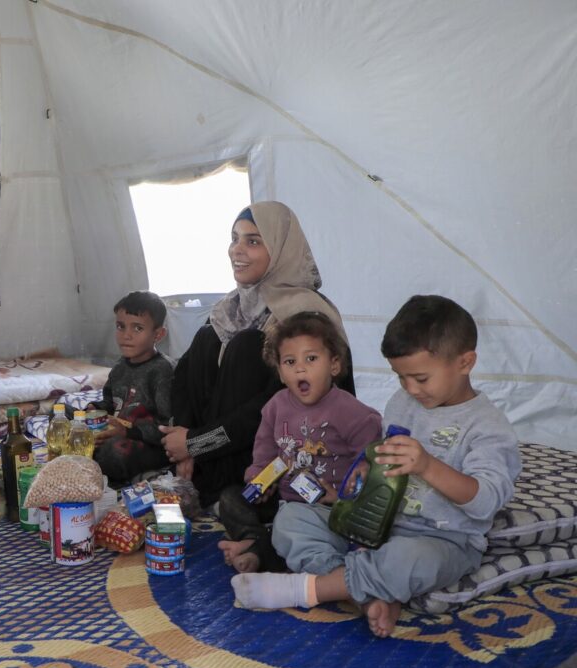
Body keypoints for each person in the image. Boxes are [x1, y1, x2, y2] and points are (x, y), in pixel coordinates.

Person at [232, 295, 521, 639]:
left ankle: (310, 590)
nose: (410, 389)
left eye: (421, 378)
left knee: (408, 560)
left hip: (441, 539)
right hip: (375, 530)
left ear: (465, 362)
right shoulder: (403, 402)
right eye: (401, 378)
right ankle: (370, 596)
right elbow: (380, 459)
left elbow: (487, 499)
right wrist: (365, 471)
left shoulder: (487, 426)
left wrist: (427, 466)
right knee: (292, 519)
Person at [163, 201, 356, 512]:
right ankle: (200, 475)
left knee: (246, 345)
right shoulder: (231, 308)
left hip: (291, 454)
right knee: (205, 337)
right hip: (214, 450)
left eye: (252, 241)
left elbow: (273, 408)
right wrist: (182, 444)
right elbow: (183, 376)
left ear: (281, 249)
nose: (236, 250)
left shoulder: (306, 317)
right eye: (234, 238)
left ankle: (228, 488)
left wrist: (196, 442)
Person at [219, 311, 382, 573]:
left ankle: (264, 551)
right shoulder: (275, 407)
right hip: (284, 500)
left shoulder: (353, 413)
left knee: (292, 527)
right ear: (281, 373)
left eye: (311, 358)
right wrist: (260, 480)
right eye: (290, 361)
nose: (300, 368)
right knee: (229, 499)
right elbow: (264, 452)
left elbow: (371, 465)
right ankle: (255, 539)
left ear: (334, 365)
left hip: (328, 509)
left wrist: (342, 498)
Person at [87, 290, 175, 487]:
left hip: (148, 445)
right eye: (120, 326)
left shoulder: (162, 371)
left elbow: (168, 425)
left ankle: (140, 474)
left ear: (158, 334)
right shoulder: (120, 367)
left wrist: (129, 432)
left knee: (113, 452)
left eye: (137, 328)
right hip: (118, 433)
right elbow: (111, 404)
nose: (126, 335)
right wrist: (94, 410)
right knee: (62, 415)